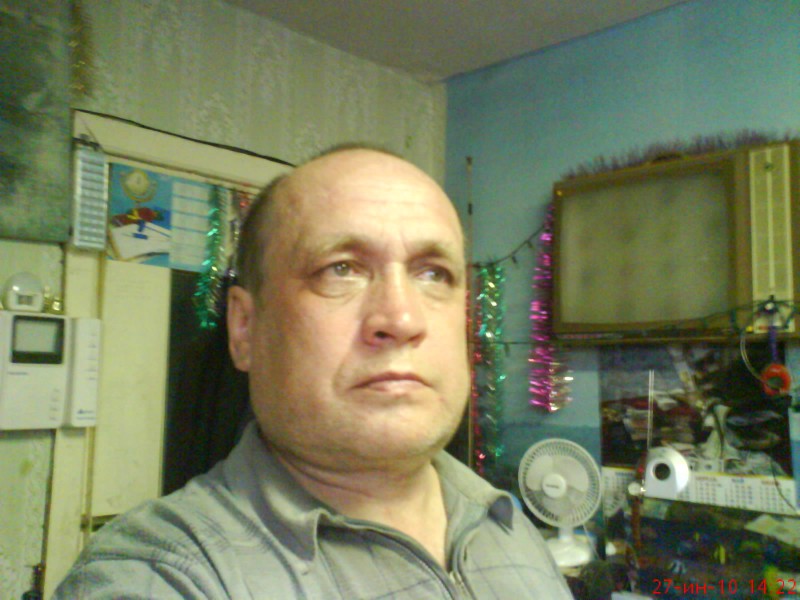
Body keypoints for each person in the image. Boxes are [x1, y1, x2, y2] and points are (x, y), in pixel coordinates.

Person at [54, 146, 572, 599]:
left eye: (434, 274)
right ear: (244, 328)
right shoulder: (164, 571)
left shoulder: (508, 526)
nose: (402, 319)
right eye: (340, 268)